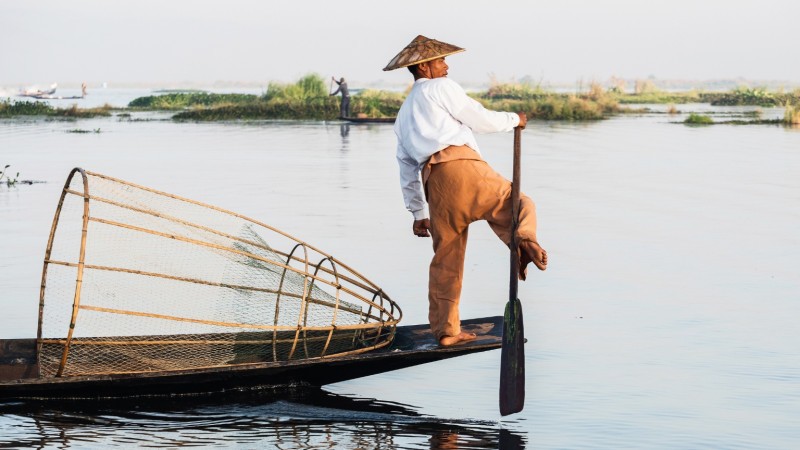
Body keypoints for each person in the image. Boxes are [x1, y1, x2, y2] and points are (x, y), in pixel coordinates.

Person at [384, 35, 548, 347]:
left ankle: (447, 332)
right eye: (441, 61)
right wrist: (515, 119)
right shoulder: (440, 88)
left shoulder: (403, 115)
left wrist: (418, 213)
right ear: (424, 67)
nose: (446, 66)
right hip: (462, 168)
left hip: (435, 185)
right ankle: (525, 240)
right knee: (517, 203)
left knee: (446, 259)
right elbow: (480, 119)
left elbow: (406, 167)